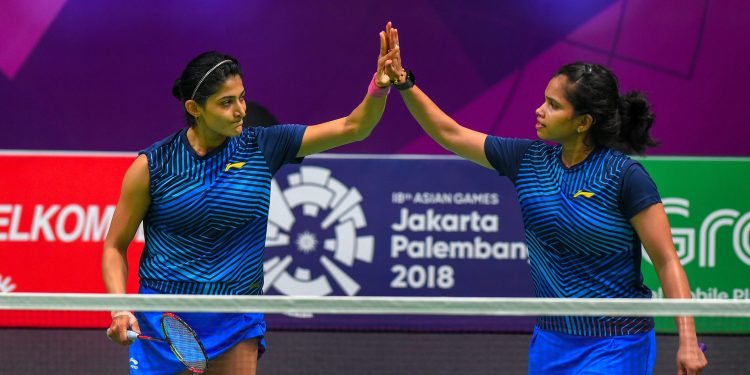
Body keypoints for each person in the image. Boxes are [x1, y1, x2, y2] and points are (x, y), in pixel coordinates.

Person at [379, 22, 708, 375]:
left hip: (616, 341)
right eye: (543, 100)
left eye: (553, 105)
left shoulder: (624, 177)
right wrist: (403, 82)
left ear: (583, 122)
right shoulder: (528, 160)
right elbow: (449, 133)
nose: (539, 110)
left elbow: (667, 261)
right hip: (551, 340)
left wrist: (687, 340)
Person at [103, 29, 397, 374]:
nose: (240, 110)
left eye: (241, 97)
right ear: (195, 108)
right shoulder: (153, 165)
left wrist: (379, 86)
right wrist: (120, 309)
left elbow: (355, 126)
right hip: (165, 315)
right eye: (226, 103)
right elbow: (115, 246)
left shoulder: (263, 146)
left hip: (236, 312)